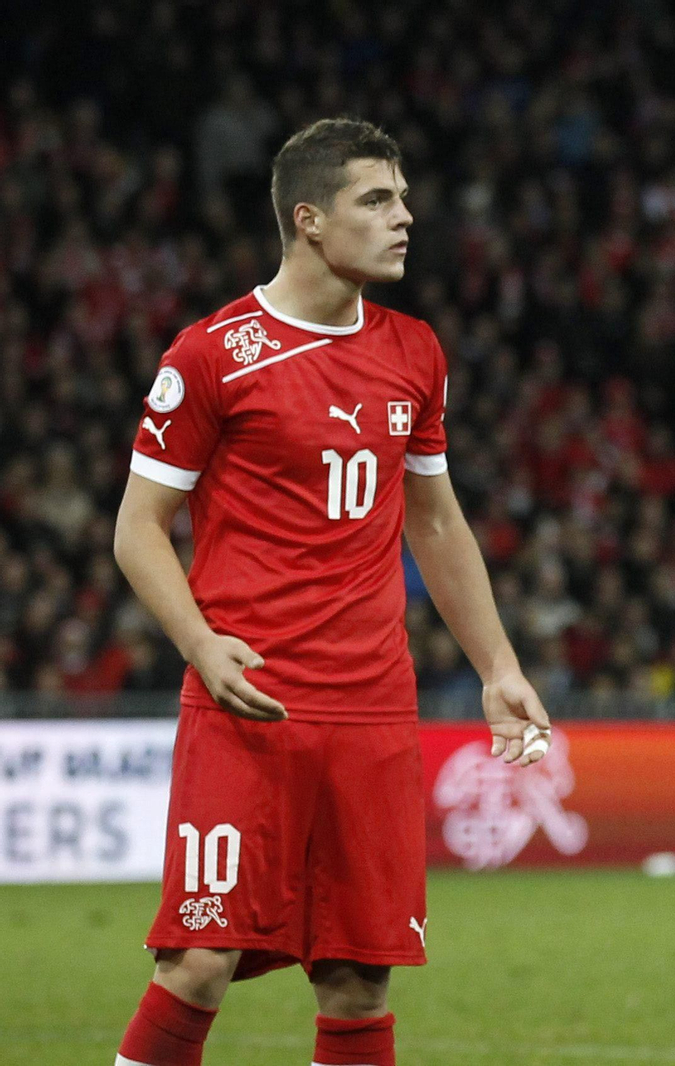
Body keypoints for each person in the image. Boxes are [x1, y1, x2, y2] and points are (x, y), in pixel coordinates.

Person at [111, 118, 552, 1066]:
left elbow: (435, 521)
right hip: (250, 703)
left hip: (373, 708)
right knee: (197, 960)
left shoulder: (416, 352)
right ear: (309, 219)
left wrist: (497, 666)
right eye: (377, 200)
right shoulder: (212, 355)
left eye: (402, 197)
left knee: (358, 978)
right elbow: (136, 528)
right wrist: (199, 642)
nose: (406, 218)